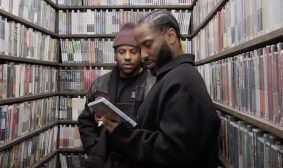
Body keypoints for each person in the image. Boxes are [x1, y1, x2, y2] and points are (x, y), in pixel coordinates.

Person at [100, 10, 221, 168]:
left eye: (148, 45)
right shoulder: (169, 76)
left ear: (170, 36)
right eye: (140, 48)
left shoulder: (182, 81)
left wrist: (122, 135)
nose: (143, 55)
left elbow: (173, 151)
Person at [77, 22, 155, 168]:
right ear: (115, 55)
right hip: (105, 161)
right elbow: (85, 120)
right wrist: (94, 149)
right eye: (121, 52)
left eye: (133, 51)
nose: (127, 57)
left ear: (141, 54)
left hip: (139, 160)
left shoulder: (154, 84)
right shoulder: (99, 84)